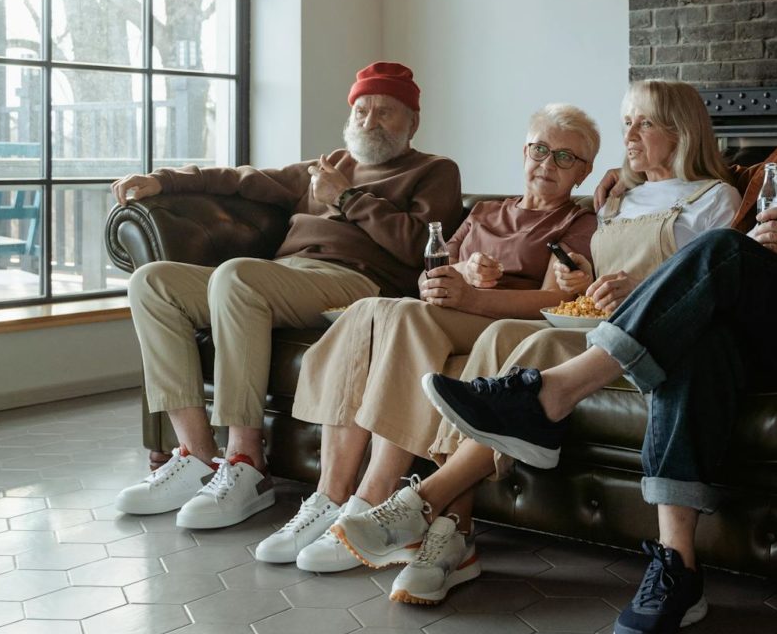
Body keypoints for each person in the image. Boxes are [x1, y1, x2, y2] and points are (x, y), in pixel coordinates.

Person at [424, 65, 777, 634]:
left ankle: (550, 393)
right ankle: (677, 569)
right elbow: (681, 170)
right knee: (696, 343)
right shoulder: (764, 170)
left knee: (723, 249)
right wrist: (622, 175)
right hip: (741, 336)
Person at [329, 79, 741, 606]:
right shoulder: (617, 196)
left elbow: (703, 284)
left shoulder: (715, 198)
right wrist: (581, 277)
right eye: (626, 123)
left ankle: (426, 506)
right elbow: (590, 274)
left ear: (681, 131)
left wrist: (633, 290)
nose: (630, 134)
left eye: (644, 123)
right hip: (588, 321)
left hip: (645, 336)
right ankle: (449, 532)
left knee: (513, 335)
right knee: (495, 333)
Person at [249, 104, 600, 582]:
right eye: (540, 149)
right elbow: (432, 273)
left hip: (505, 322)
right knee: (375, 309)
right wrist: (460, 273)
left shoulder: (578, 223)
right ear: (524, 152)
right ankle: (331, 498)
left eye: (565, 157)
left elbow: (556, 301)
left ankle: (371, 502)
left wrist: (473, 295)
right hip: (455, 313)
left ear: (585, 171)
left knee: (402, 316)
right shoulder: (484, 211)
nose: (547, 163)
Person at [111, 61, 462, 530]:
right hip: (282, 277)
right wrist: (167, 180)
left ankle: (246, 463)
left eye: (386, 112)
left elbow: (419, 244)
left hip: (357, 287)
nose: (370, 121)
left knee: (237, 277)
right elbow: (242, 179)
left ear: (412, 122)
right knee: (152, 282)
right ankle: (196, 456)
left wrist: (346, 199)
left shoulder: (433, 170)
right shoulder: (327, 166)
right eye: (362, 110)